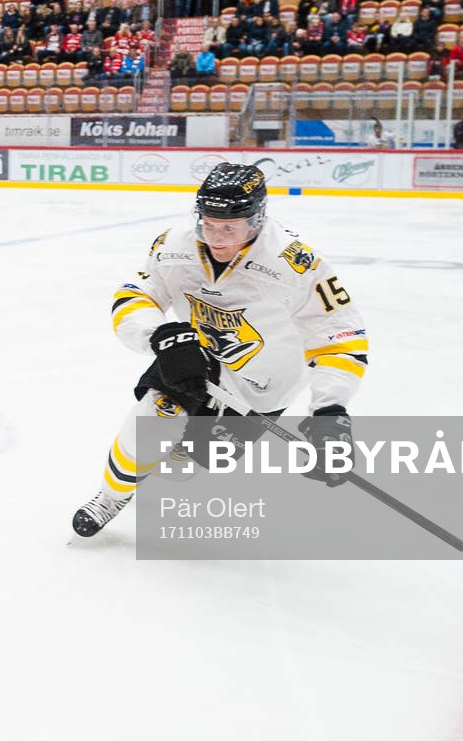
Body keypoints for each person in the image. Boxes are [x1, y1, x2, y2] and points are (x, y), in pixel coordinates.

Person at [71, 164, 367, 536]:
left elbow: (340, 335)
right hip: (197, 359)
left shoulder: (294, 264)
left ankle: (183, 447)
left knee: (192, 465)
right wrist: (160, 335)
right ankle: (111, 497)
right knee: (151, 421)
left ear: (257, 219)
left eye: (229, 227)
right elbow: (137, 295)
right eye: (208, 224)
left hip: (265, 384)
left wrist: (330, 411)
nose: (216, 237)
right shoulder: (174, 246)